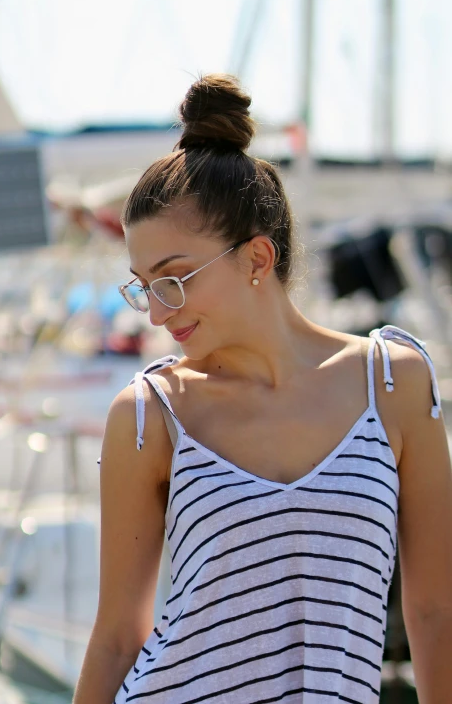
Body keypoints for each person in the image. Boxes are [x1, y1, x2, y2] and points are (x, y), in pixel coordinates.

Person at [73, 74, 452, 704]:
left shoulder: (395, 383)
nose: (157, 313)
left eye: (173, 279)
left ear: (256, 258)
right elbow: (118, 636)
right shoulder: (149, 416)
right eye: (142, 285)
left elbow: (436, 610)